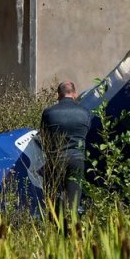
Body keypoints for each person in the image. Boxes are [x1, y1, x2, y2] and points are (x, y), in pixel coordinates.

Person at [39, 81, 92, 219]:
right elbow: (87, 135)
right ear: (75, 94)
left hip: (56, 159)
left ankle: (56, 231)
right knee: (74, 203)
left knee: (54, 200)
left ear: (58, 95)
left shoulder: (49, 113)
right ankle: (73, 232)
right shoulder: (85, 113)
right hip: (77, 160)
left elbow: (43, 138)